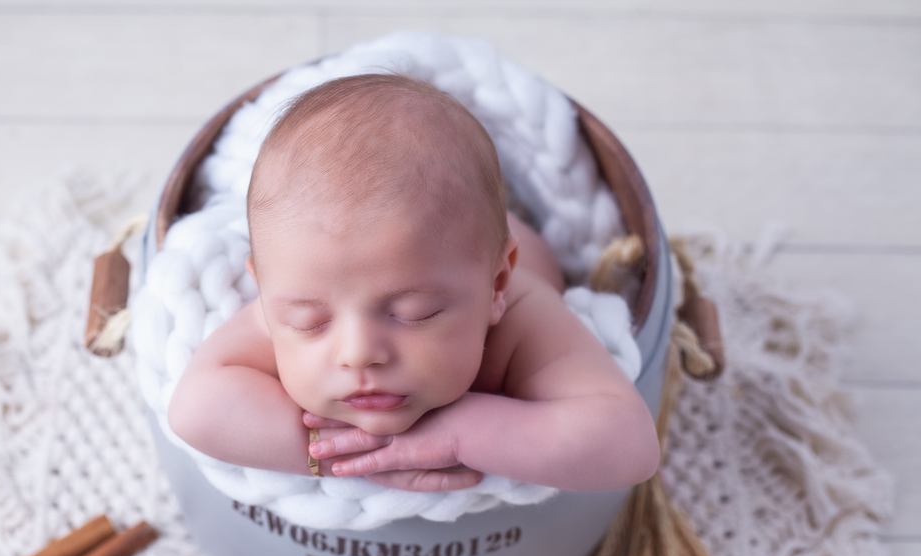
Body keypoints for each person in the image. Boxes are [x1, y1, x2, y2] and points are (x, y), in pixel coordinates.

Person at [167, 73, 659, 493]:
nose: (359, 353)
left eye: (414, 313)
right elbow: (196, 409)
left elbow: (629, 445)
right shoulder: (296, 289)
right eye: (309, 321)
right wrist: (345, 455)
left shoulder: (523, 318)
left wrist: (462, 434)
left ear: (496, 284)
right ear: (266, 290)